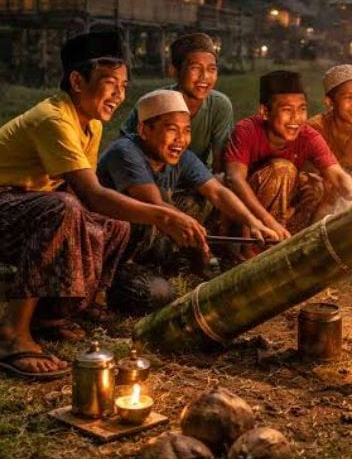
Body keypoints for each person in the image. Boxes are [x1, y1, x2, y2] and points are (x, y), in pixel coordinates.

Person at [0, 31, 209, 381]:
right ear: (77, 81)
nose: (119, 95)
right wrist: (165, 215)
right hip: (8, 200)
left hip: (27, 203)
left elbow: (85, 196)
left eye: (124, 86)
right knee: (63, 208)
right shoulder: (54, 118)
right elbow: (91, 193)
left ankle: (54, 316)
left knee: (115, 224)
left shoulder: (91, 123)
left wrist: (98, 225)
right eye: (110, 83)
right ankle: (11, 334)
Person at [98, 89, 278, 308]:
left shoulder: (183, 156)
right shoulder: (125, 151)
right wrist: (194, 233)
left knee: (196, 201)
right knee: (157, 295)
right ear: (144, 130)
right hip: (112, 252)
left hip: (147, 239)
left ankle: (164, 264)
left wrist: (254, 223)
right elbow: (154, 204)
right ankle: (106, 284)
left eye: (186, 130)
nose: (181, 140)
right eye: (172, 130)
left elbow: (217, 192)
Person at [224, 70, 352, 243]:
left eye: (302, 109)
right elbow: (234, 179)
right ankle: (251, 251)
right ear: (265, 112)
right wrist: (268, 222)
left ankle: (291, 242)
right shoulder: (246, 130)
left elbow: (338, 176)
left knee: (314, 184)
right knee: (283, 169)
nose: (296, 118)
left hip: (281, 213)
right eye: (287, 110)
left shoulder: (308, 136)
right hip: (241, 216)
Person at [121, 32, 232, 173]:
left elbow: (220, 162)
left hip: (196, 180)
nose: (204, 77)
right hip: (148, 178)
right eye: (195, 68)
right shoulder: (153, 103)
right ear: (174, 71)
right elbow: (124, 149)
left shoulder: (219, 106)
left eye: (212, 69)